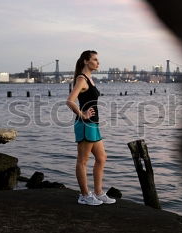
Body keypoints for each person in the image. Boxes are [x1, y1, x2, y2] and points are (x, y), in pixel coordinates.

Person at [66, 50, 116, 205]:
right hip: (85, 124)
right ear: (86, 61)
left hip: (93, 124)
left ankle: (98, 192)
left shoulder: (89, 78)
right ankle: (84, 195)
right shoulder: (82, 79)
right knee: (82, 161)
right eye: (95, 59)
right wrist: (82, 114)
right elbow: (70, 101)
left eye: (97, 59)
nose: (98, 62)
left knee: (101, 158)